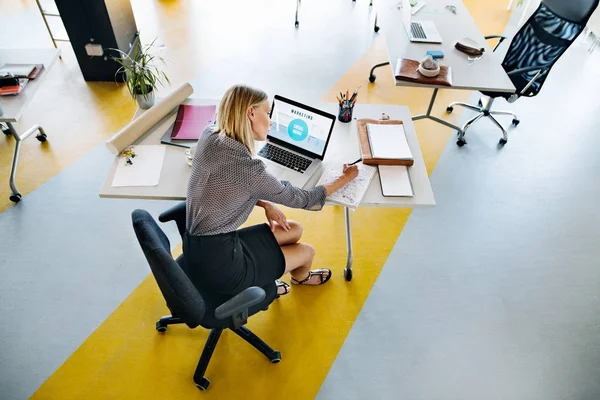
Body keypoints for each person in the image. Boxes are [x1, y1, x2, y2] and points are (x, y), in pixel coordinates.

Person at [184, 84, 358, 298]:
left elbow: (228, 183)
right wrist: (344, 178)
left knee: (293, 229)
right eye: (267, 113)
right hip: (223, 267)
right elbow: (304, 199)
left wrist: (266, 202)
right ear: (251, 113)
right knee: (307, 252)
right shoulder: (248, 169)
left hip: (199, 248)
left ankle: (269, 270)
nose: (271, 120)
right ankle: (299, 278)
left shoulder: (209, 135)